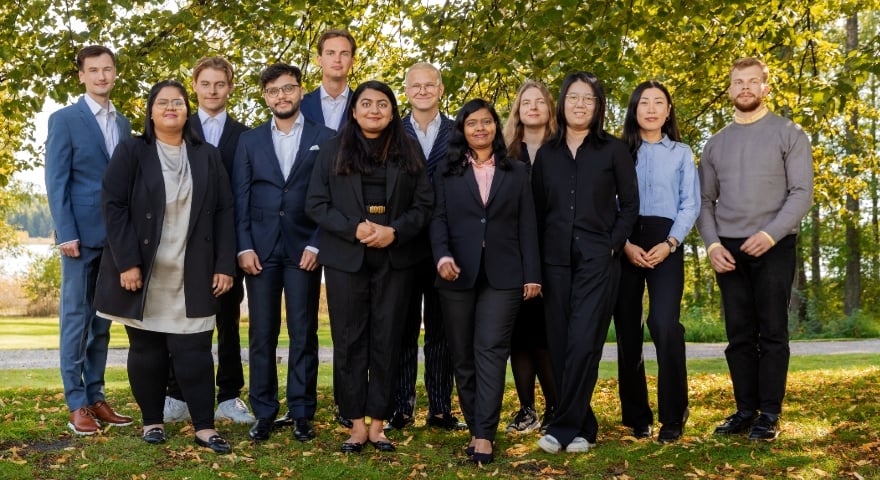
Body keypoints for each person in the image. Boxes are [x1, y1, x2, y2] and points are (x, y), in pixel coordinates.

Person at [94, 80, 235, 454]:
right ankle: (152, 422)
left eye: (178, 102)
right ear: (151, 111)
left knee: (196, 350)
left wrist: (224, 264)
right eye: (163, 102)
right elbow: (113, 206)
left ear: (187, 110)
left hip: (195, 268)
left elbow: (224, 212)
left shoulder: (208, 155)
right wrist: (127, 263)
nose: (171, 107)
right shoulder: (131, 151)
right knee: (147, 350)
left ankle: (205, 428)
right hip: (144, 268)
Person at [306, 80, 433, 453]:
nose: (374, 110)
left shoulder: (409, 150)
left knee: (388, 338)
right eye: (366, 104)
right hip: (347, 256)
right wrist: (355, 228)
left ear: (393, 111)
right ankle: (356, 425)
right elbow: (315, 203)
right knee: (348, 341)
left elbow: (425, 205)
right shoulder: (332, 150)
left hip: (395, 257)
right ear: (354, 110)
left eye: (382, 104)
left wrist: (394, 231)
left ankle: (379, 424)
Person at [697, 57, 813, 441]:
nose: (745, 87)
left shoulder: (789, 133)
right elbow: (704, 202)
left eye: (753, 81)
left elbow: (801, 193)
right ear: (730, 89)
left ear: (766, 87)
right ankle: (745, 410)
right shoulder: (715, 143)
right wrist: (712, 244)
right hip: (728, 250)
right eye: (737, 82)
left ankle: (769, 413)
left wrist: (771, 234)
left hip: (775, 244)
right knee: (739, 335)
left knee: (773, 332)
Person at [532, 71, 639, 454]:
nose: (580, 104)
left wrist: (611, 246)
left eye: (588, 99)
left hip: (598, 260)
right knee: (559, 344)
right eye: (574, 97)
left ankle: (563, 427)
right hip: (554, 261)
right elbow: (538, 211)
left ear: (598, 107)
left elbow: (629, 206)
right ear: (562, 103)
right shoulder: (546, 154)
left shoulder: (614, 150)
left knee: (584, 342)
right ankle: (584, 424)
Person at [431, 99, 541, 464]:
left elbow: (528, 224)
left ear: (496, 127)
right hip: (457, 273)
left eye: (487, 122)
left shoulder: (518, 171)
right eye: (472, 123)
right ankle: (478, 424)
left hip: (504, 275)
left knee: (490, 351)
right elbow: (438, 221)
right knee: (462, 355)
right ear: (461, 130)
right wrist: (442, 256)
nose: (480, 128)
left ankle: (484, 434)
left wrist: (532, 275)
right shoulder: (445, 173)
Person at [232, 63, 336, 442]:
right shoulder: (250, 140)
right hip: (259, 250)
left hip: (304, 247)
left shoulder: (326, 137)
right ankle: (263, 411)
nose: (282, 96)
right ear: (265, 97)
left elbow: (333, 196)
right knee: (262, 334)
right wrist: (243, 245)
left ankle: (302, 412)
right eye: (274, 91)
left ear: (300, 91)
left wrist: (317, 243)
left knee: (303, 331)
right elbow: (239, 198)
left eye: (288, 89)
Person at [44, 44, 133, 435]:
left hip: (115, 239)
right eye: (93, 70)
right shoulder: (65, 119)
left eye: (107, 69)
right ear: (81, 75)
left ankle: (96, 396)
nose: (101, 76)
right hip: (79, 238)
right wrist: (66, 233)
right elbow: (56, 180)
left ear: (115, 73)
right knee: (75, 321)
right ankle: (76, 402)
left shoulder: (125, 123)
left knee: (102, 323)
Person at [163, 55, 254, 425]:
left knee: (228, 321)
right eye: (205, 84)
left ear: (230, 87)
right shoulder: (177, 128)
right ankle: (177, 393)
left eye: (220, 83)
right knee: (181, 321)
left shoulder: (247, 136)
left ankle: (229, 396)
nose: (213, 90)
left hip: (228, 241)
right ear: (195, 87)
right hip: (182, 242)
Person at [613, 80, 699, 443]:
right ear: (634, 110)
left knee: (664, 324)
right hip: (626, 242)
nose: (650, 108)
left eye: (658, 102)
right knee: (628, 330)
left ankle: (673, 416)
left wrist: (670, 243)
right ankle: (637, 416)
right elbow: (608, 202)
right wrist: (626, 244)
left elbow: (690, 203)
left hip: (667, 241)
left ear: (667, 111)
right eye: (643, 102)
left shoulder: (681, 152)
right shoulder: (618, 152)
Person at [387, 62, 462, 432]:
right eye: (414, 85)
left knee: (441, 329)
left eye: (428, 85)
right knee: (402, 328)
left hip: (446, 244)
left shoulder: (457, 131)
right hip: (403, 241)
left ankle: (440, 408)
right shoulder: (392, 131)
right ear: (406, 90)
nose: (422, 91)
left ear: (440, 89)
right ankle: (401, 406)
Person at [501, 80, 558, 434]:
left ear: (550, 108)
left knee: (546, 336)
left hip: (556, 256)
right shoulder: (507, 155)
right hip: (515, 254)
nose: (533, 107)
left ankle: (555, 408)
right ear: (518, 111)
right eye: (526, 102)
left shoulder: (565, 150)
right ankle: (527, 410)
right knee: (519, 336)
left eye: (540, 101)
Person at [301, 29, 356, 131]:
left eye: (344, 54)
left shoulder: (362, 105)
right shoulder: (300, 105)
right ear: (319, 60)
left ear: (352, 61)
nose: (337, 60)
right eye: (330, 53)